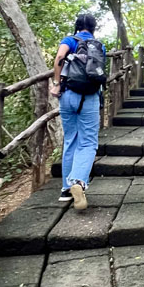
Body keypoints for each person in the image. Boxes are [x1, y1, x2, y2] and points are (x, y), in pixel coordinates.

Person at [49, 14, 105, 210]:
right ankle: (79, 182)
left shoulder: (70, 40)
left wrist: (57, 83)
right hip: (89, 96)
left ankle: (66, 189)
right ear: (93, 28)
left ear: (77, 26)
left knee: (70, 139)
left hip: (68, 95)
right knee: (88, 141)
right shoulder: (99, 45)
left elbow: (59, 57)